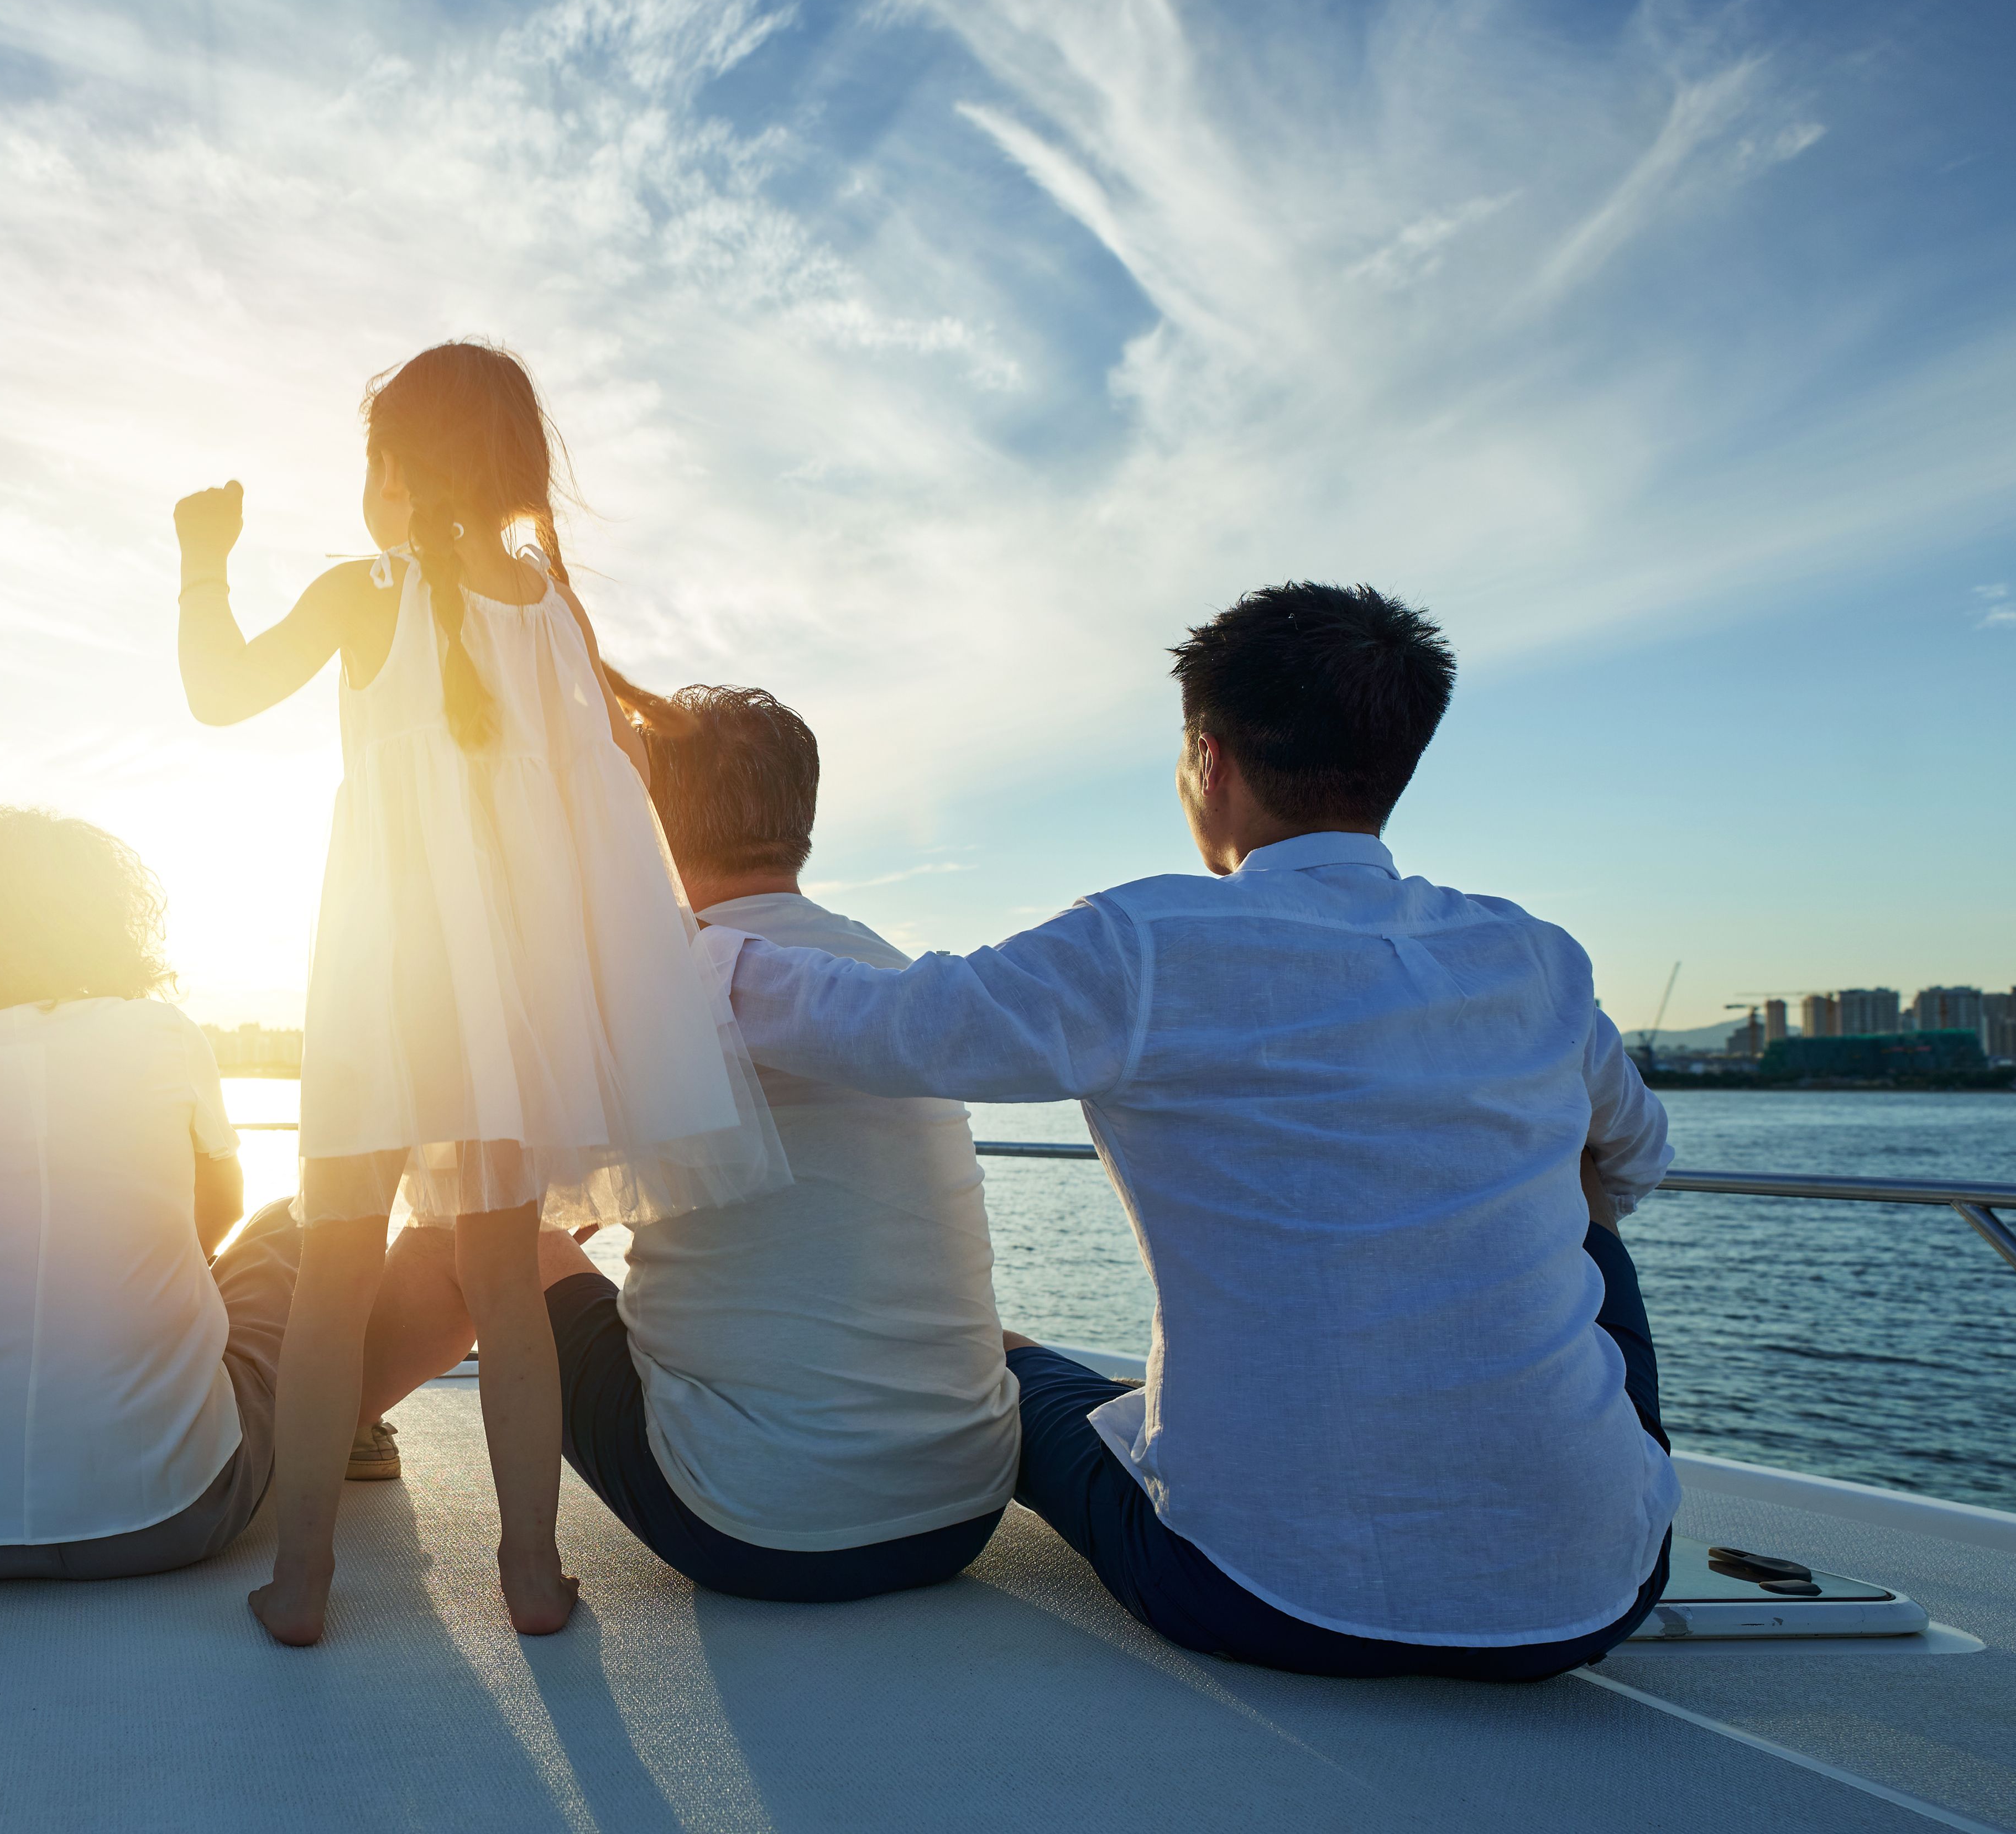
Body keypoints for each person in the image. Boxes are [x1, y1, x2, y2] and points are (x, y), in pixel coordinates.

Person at [708, 586, 1678, 1678]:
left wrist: (689, 951)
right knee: (1584, 1191)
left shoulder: (1148, 941)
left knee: (1004, 1378)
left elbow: (890, 1026)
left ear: (1208, 760)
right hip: (1588, 1595)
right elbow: (1636, 1158)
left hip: (1257, 1589)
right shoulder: (1537, 956)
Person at [174, 340, 784, 1644]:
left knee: (336, 1276)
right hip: (509, 1005)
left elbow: (218, 694)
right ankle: (531, 1575)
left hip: (382, 978)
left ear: (396, 472)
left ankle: (303, 1578)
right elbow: (614, 819)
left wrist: (203, 561)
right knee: (503, 1286)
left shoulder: (363, 594)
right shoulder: (554, 616)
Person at [363, 686, 1021, 1601]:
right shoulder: (885, 976)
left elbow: (499, 1199)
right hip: (961, 1514)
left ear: (641, 810)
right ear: (800, 814)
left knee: (459, 1230)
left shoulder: (656, 976)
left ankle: (336, 1424)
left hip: (753, 1524)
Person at [0, 808, 323, 1581]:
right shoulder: (165, 1036)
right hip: (176, 1512)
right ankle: (343, 1423)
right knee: (294, 1226)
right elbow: (221, 1213)